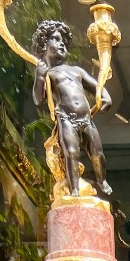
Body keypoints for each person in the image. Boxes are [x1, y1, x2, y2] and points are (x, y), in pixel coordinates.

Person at [31, 20, 112, 199]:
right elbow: (38, 99)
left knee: (97, 153)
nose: (61, 43)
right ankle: (74, 188)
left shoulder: (76, 70)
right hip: (65, 117)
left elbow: (96, 87)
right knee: (72, 152)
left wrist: (105, 97)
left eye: (63, 41)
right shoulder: (48, 74)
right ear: (44, 44)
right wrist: (40, 77)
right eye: (56, 39)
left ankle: (102, 180)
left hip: (86, 116)